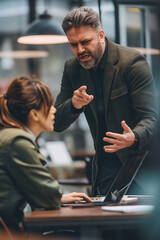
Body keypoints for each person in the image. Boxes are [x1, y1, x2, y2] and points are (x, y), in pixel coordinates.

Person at [54, 6, 158, 196]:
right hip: (105, 168)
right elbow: (56, 122)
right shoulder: (72, 68)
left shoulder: (132, 62)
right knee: (102, 224)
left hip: (141, 166)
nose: (80, 50)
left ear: (101, 35)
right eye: (73, 44)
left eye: (86, 42)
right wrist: (74, 105)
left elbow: (152, 118)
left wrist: (133, 137)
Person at [0, 76, 92, 230]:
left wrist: (58, 197)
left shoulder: (11, 136)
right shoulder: (17, 141)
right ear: (34, 115)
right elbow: (49, 195)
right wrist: (56, 196)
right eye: (49, 105)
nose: (54, 109)